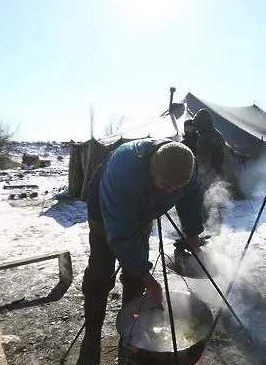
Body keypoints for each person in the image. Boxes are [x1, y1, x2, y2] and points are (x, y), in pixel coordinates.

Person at [83, 139, 204, 331]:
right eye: (166, 186)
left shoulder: (186, 166)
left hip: (144, 210)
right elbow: (120, 233)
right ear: (152, 170)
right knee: (101, 270)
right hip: (105, 212)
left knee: (136, 274)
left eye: (177, 188)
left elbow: (193, 198)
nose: (171, 192)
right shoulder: (124, 170)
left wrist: (193, 232)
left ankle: (133, 324)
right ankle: (93, 324)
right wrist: (149, 279)